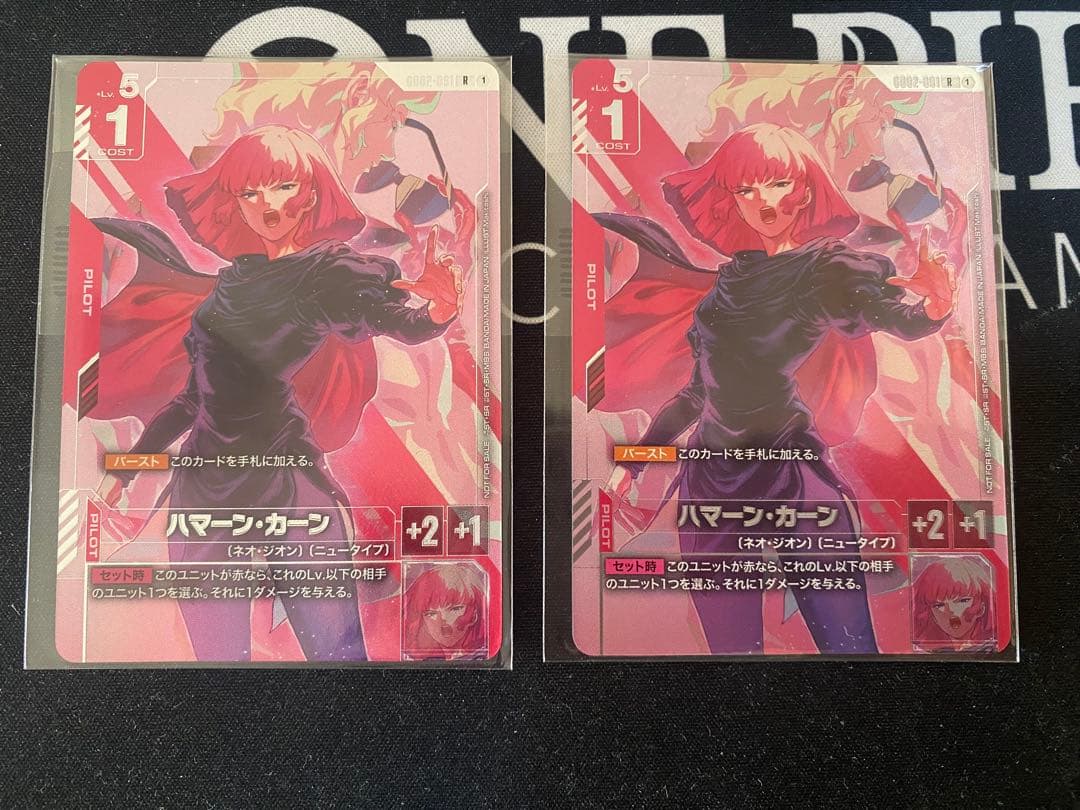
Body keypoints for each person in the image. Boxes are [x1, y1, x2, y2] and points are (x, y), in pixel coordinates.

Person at [94, 125, 464, 662]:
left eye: (284, 186)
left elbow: (393, 318)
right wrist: (125, 471)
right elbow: (192, 399)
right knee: (219, 669)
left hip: (288, 482)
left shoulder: (325, 273)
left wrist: (438, 311)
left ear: (310, 193)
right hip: (203, 490)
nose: (267, 204)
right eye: (250, 192)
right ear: (236, 203)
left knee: (339, 660)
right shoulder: (227, 289)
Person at [603, 124, 957, 654]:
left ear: (807, 189)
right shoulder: (728, 283)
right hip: (710, 485)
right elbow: (697, 395)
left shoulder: (825, 268)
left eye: (777, 183)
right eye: (746, 189)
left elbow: (890, 314)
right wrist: (632, 462)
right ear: (732, 200)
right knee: (732, 657)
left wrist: (933, 307)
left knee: (851, 649)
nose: (762, 201)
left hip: (791, 473)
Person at [402, 564, 487, 660]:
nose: (443, 620)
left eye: (455, 609)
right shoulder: (417, 657)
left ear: (474, 612)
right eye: (431, 613)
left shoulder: (482, 655)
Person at [912, 556, 995, 651]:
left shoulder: (991, 648)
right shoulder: (926, 650)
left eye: (963, 601)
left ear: (981, 607)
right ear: (932, 616)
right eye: (939, 605)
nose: (950, 610)